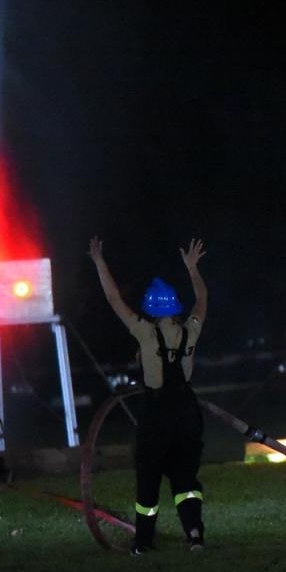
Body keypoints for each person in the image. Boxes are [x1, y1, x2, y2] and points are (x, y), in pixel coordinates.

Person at [89, 236, 209, 555]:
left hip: (156, 413)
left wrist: (100, 261)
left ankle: (143, 542)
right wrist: (192, 269)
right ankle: (195, 535)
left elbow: (115, 300)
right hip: (187, 413)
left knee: (149, 480)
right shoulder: (191, 329)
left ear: (151, 309)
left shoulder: (144, 331)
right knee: (185, 481)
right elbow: (202, 299)